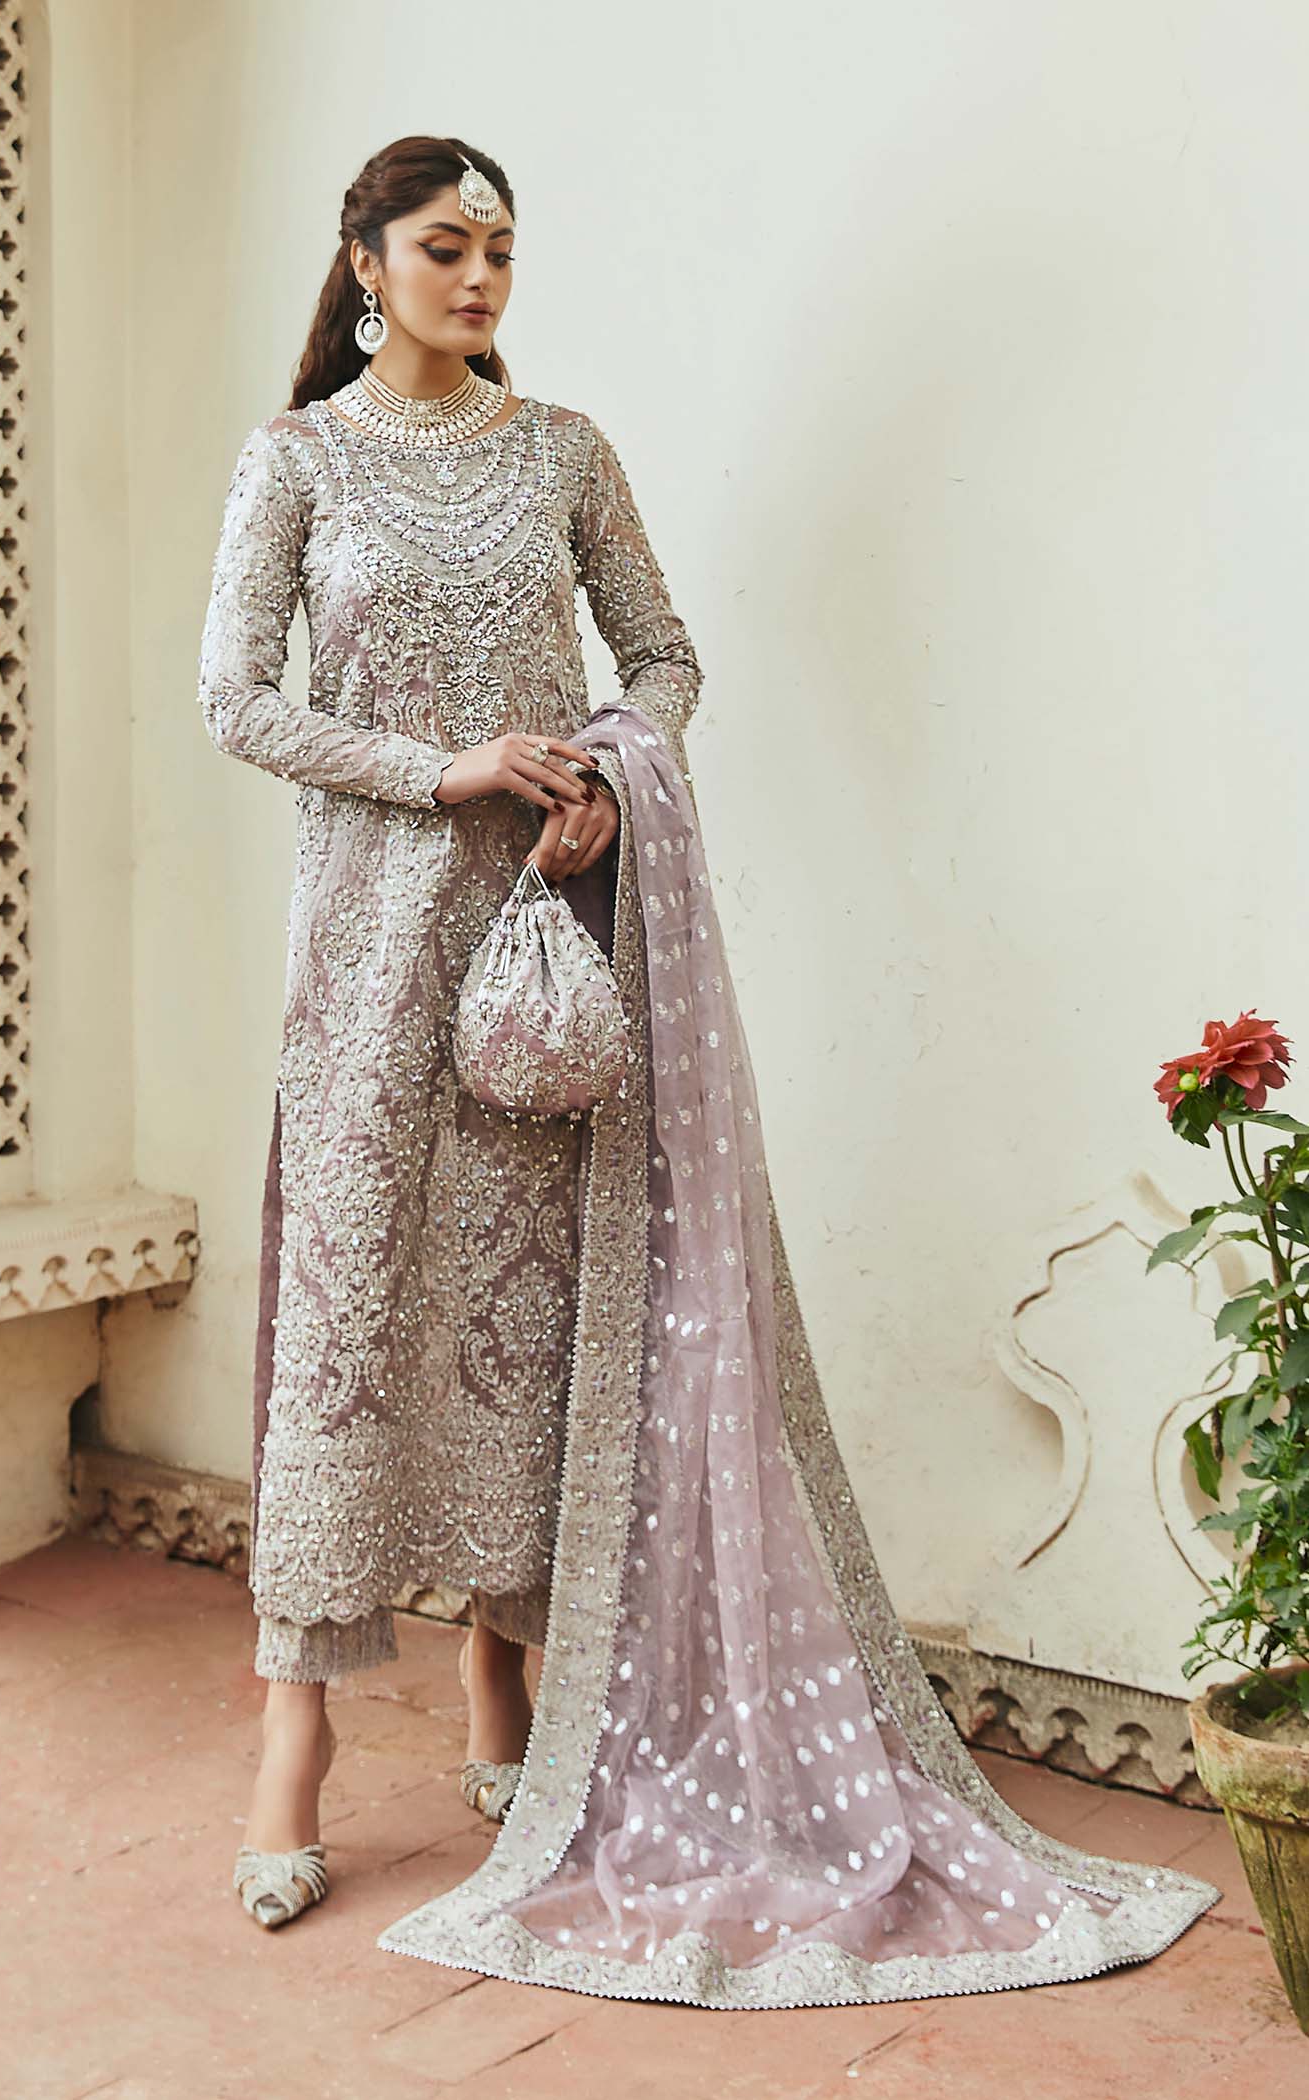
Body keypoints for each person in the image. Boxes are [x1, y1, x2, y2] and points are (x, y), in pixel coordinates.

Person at [198, 134, 1220, 2005]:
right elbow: (234, 698)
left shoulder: (563, 451)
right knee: (349, 1331)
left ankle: (512, 1688)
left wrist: (603, 767)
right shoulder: (298, 461)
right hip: (365, 960)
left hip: (549, 947)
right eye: (446, 247)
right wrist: (441, 770)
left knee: (535, 1327)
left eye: (503, 251)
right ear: (363, 260)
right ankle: (296, 1751)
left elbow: (663, 654)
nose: (481, 279)